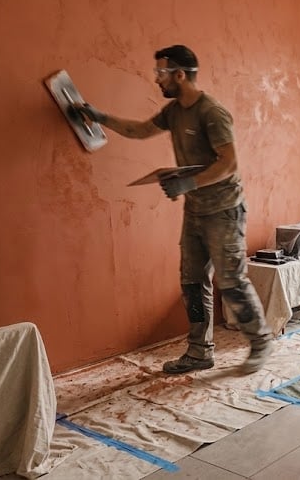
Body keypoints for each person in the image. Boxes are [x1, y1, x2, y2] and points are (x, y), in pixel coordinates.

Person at [78, 44, 273, 374]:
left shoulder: (212, 112)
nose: (157, 80)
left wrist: (188, 184)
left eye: (161, 73)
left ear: (179, 75)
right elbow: (141, 130)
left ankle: (260, 342)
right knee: (192, 281)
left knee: (231, 281)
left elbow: (229, 164)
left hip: (224, 210)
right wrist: (100, 117)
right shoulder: (174, 112)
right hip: (195, 211)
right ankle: (199, 351)